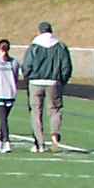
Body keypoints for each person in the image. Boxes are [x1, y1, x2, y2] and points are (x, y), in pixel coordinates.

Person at [21, 21, 74, 152]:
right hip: (53, 82)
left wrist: (28, 76)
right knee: (55, 109)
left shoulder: (34, 46)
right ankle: (54, 133)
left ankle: (40, 143)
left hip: (35, 82)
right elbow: (66, 66)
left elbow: (27, 65)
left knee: (35, 111)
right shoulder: (60, 46)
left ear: (39, 31)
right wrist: (62, 81)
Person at [0, 38, 23, 152]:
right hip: (10, 94)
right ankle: (0, 140)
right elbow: (16, 79)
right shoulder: (14, 62)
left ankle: (7, 141)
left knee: (3, 120)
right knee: (3, 119)